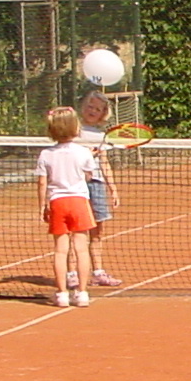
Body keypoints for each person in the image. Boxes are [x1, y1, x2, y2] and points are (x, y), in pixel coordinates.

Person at [37, 107, 100, 309]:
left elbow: (42, 183)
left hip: (58, 203)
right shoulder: (83, 153)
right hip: (79, 202)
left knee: (60, 251)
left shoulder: (45, 154)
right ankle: (82, 293)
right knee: (81, 250)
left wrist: (42, 207)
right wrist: (90, 157)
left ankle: (62, 293)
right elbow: (89, 177)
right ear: (75, 127)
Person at [76, 91, 122, 288]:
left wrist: (113, 189)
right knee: (76, 231)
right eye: (90, 107)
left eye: (98, 109)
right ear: (83, 108)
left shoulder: (102, 135)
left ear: (104, 113)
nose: (93, 111)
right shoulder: (73, 130)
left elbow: (104, 163)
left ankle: (98, 272)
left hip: (97, 184)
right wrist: (87, 155)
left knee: (97, 231)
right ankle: (72, 273)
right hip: (77, 184)